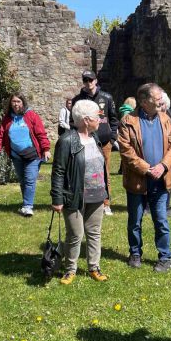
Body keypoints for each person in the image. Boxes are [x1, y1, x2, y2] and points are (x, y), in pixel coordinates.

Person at [118, 83, 171, 273]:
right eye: (156, 98)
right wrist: (146, 169)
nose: (161, 101)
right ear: (144, 102)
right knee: (135, 220)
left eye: (161, 97)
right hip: (137, 181)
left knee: (161, 220)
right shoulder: (128, 121)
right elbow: (126, 152)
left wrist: (163, 166)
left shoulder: (166, 119)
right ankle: (135, 253)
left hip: (160, 181)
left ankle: (165, 257)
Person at [50, 100, 110, 285]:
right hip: (75, 196)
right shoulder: (67, 140)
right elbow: (58, 171)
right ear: (85, 120)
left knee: (94, 232)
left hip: (97, 194)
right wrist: (57, 198)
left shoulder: (96, 137)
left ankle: (94, 266)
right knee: (75, 235)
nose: (100, 120)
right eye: (96, 117)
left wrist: (106, 192)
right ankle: (70, 269)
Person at [0, 93, 51, 217]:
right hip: (16, 155)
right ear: (10, 103)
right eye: (13, 101)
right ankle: (26, 203)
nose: (16, 104)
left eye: (18, 101)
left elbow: (41, 133)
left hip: (33, 155)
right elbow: (1, 136)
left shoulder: (31, 116)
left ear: (23, 102)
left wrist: (46, 149)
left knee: (30, 180)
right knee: (23, 181)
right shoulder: (7, 119)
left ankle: (27, 206)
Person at [70, 70, 119, 216]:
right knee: (84, 171)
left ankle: (106, 203)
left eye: (90, 80)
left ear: (96, 81)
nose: (88, 83)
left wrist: (112, 138)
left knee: (104, 172)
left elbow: (114, 119)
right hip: (84, 141)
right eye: (85, 80)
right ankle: (84, 200)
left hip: (104, 142)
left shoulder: (107, 97)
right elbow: (72, 121)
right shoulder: (77, 100)